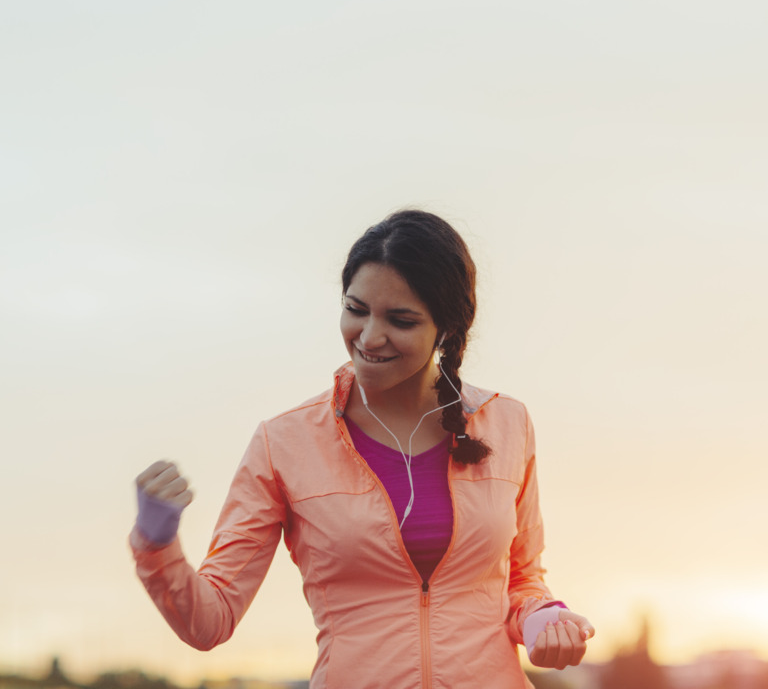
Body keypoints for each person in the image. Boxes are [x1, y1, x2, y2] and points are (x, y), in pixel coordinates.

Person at [131, 209, 594, 689]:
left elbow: (522, 580)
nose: (369, 338)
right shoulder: (283, 443)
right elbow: (210, 621)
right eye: (356, 310)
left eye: (401, 320)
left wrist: (543, 618)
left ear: (448, 329)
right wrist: (157, 543)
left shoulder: (508, 422)